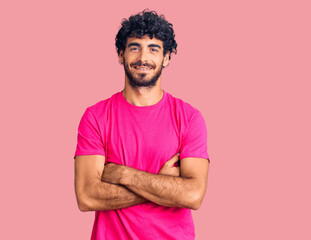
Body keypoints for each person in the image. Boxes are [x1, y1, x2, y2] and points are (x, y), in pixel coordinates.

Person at [73, 10, 210, 240]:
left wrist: (125, 175)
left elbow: (193, 195)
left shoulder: (189, 117)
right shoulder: (96, 116)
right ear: (121, 54)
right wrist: (163, 182)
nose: (143, 58)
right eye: (134, 47)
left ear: (166, 58)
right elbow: (87, 197)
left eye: (154, 49)